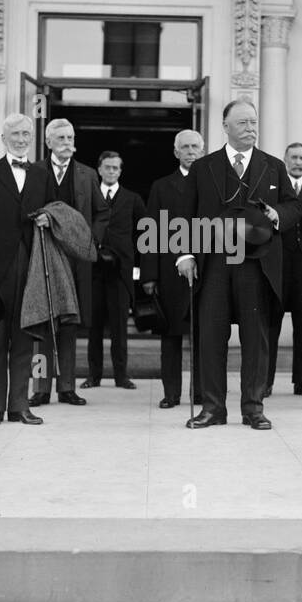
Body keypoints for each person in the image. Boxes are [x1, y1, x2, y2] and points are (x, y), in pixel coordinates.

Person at [177, 99, 299, 430]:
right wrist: (185, 255)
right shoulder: (204, 168)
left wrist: (278, 216)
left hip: (256, 265)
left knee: (255, 339)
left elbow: (293, 207)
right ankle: (213, 408)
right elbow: (185, 213)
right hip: (214, 261)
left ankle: (253, 408)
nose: (250, 128)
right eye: (243, 123)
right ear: (225, 126)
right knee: (212, 337)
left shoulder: (273, 166)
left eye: (254, 123)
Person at [0, 114, 51, 425]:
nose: (21, 139)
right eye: (15, 134)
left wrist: (48, 218)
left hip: (30, 267)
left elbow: (53, 211)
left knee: (24, 340)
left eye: (26, 134)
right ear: (3, 139)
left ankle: (19, 406)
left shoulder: (41, 175)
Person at [29, 118, 107, 407]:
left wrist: (91, 242)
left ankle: (67, 387)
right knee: (41, 321)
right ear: (48, 142)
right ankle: (40, 388)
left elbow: (102, 213)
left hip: (75, 261)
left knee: (70, 325)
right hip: (42, 258)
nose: (66, 142)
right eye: (60, 137)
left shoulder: (87, 175)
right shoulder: (34, 171)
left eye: (70, 137)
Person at [141, 129, 204, 409]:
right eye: (185, 147)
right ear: (176, 152)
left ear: (202, 151)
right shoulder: (161, 186)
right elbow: (150, 231)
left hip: (206, 269)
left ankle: (201, 392)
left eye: (195, 147)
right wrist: (149, 275)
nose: (191, 152)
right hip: (170, 270)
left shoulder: (213, 184)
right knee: (171, 336)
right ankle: (171, 393)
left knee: (204, 335)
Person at [84, 152, 146, 388]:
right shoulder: (89, 197)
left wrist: (136, 264)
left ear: (120, 171)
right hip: (94, 271)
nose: (111, 172)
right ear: (99, 169)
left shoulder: (132, 199)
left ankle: (121, 376)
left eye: (115, 168)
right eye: (107, 167)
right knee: (94, 327)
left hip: (120, 272)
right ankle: (94, 375)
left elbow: (145, 233)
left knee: (120, 327)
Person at [266, 142, 302, 398]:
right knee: (272, 325)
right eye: (294, 158)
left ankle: (301, 381)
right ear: (285, 160)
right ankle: (265, 382)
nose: (298, 162)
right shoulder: (274, 191)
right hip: (278, 265)